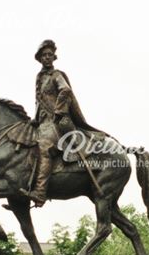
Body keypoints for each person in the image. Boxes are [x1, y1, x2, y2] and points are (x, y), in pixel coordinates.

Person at [21, 39, 101, 207]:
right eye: (44, 55)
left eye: (50, 55)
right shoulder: (40, 77)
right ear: (39, 58)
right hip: (42, 122)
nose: (47, 57)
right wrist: (35, 118)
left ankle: (40, 192)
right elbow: (39, 100)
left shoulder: (56, 75)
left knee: (45, 147)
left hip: (56, 122)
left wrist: (59, 110)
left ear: (54, 57)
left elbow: (65, 90)